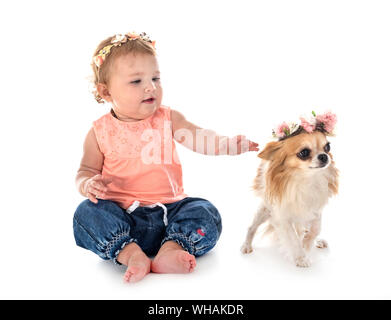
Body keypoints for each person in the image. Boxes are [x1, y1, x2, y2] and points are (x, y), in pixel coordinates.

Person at [73, 32, 259, 283]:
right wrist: (87, 183)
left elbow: (198, 137)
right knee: (87, 212)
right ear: (106, 92)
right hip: (122, 217)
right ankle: (129, 252)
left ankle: (172, 248)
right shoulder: (99, 132)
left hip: (170, 214)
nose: (150, 86)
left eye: (155, 78)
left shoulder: (167, 119)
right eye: (136, 81)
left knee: (205, 210)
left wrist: (226, 145)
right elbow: (85, 170)